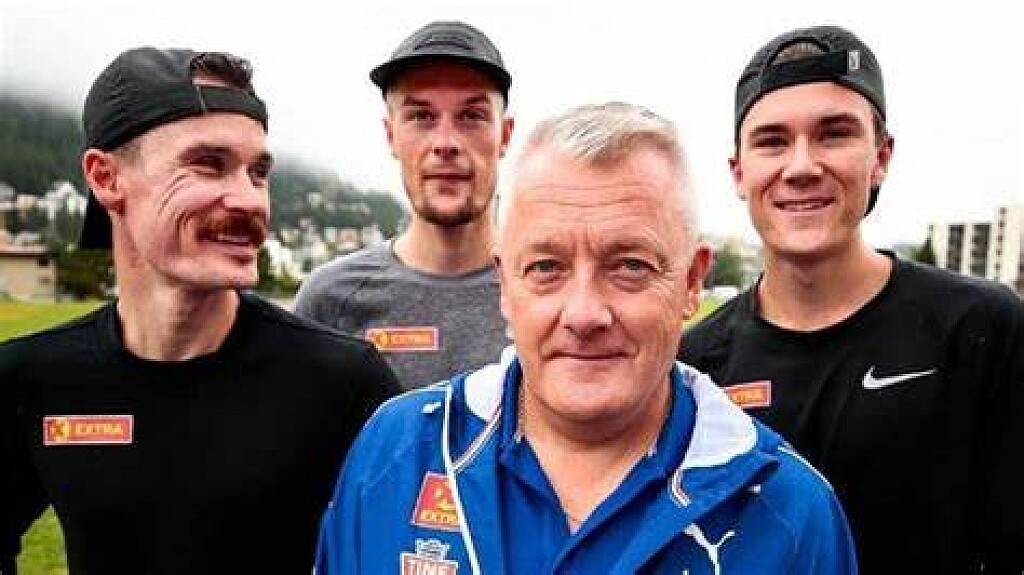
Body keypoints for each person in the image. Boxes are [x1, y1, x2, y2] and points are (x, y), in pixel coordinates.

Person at [314, 102, 857, 574]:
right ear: (505, 284)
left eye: (630, 266)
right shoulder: (395, 453)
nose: (584, 314)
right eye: (547, 267)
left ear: (692, 282)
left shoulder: (790, 514)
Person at [0, 47, 400, 574]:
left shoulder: (343, 383)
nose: (250, 201)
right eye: (208, 165)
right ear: (106, 179)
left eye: (258, 173)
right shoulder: (33, 378)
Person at [679, 25, 1024, 573]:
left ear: (880, 156)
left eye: (833, 134)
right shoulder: (694, 366)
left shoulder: (979, 329)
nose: (801, 166)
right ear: (739, 172)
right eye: (772, 141)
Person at [293, 20, 514, 389]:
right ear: (391, 135)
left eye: (471, 116)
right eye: (421, 116)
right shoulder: (331, 300)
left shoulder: (548, 292)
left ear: (504, 136)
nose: (445, 143)